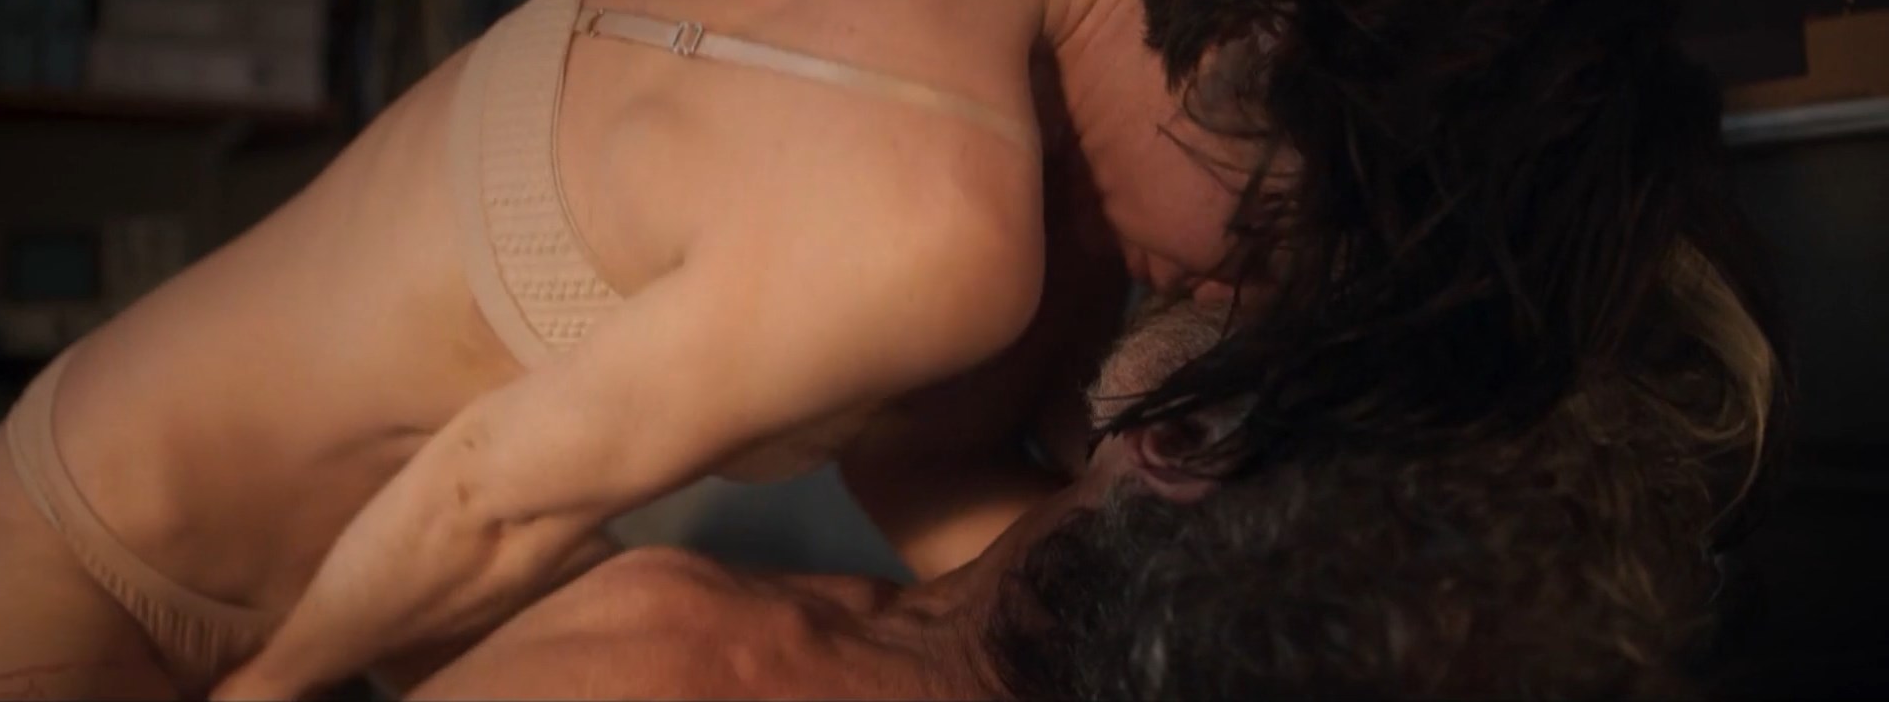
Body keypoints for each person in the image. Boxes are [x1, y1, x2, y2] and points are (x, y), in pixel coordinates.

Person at [0, 0, 1777, 700]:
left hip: (245, 505)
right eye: (1273, 242)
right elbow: (483, 503)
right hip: (123, 573)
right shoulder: (936, 223)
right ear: (1257, 58)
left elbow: (921, 456)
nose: (1227, 294)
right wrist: (271, 696)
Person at [407, 281, 1779, 700]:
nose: (1223, 265)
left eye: (1278, 284)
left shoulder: (664, 656)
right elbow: (913, 454)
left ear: (1174, 439)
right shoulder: (1082, 614)